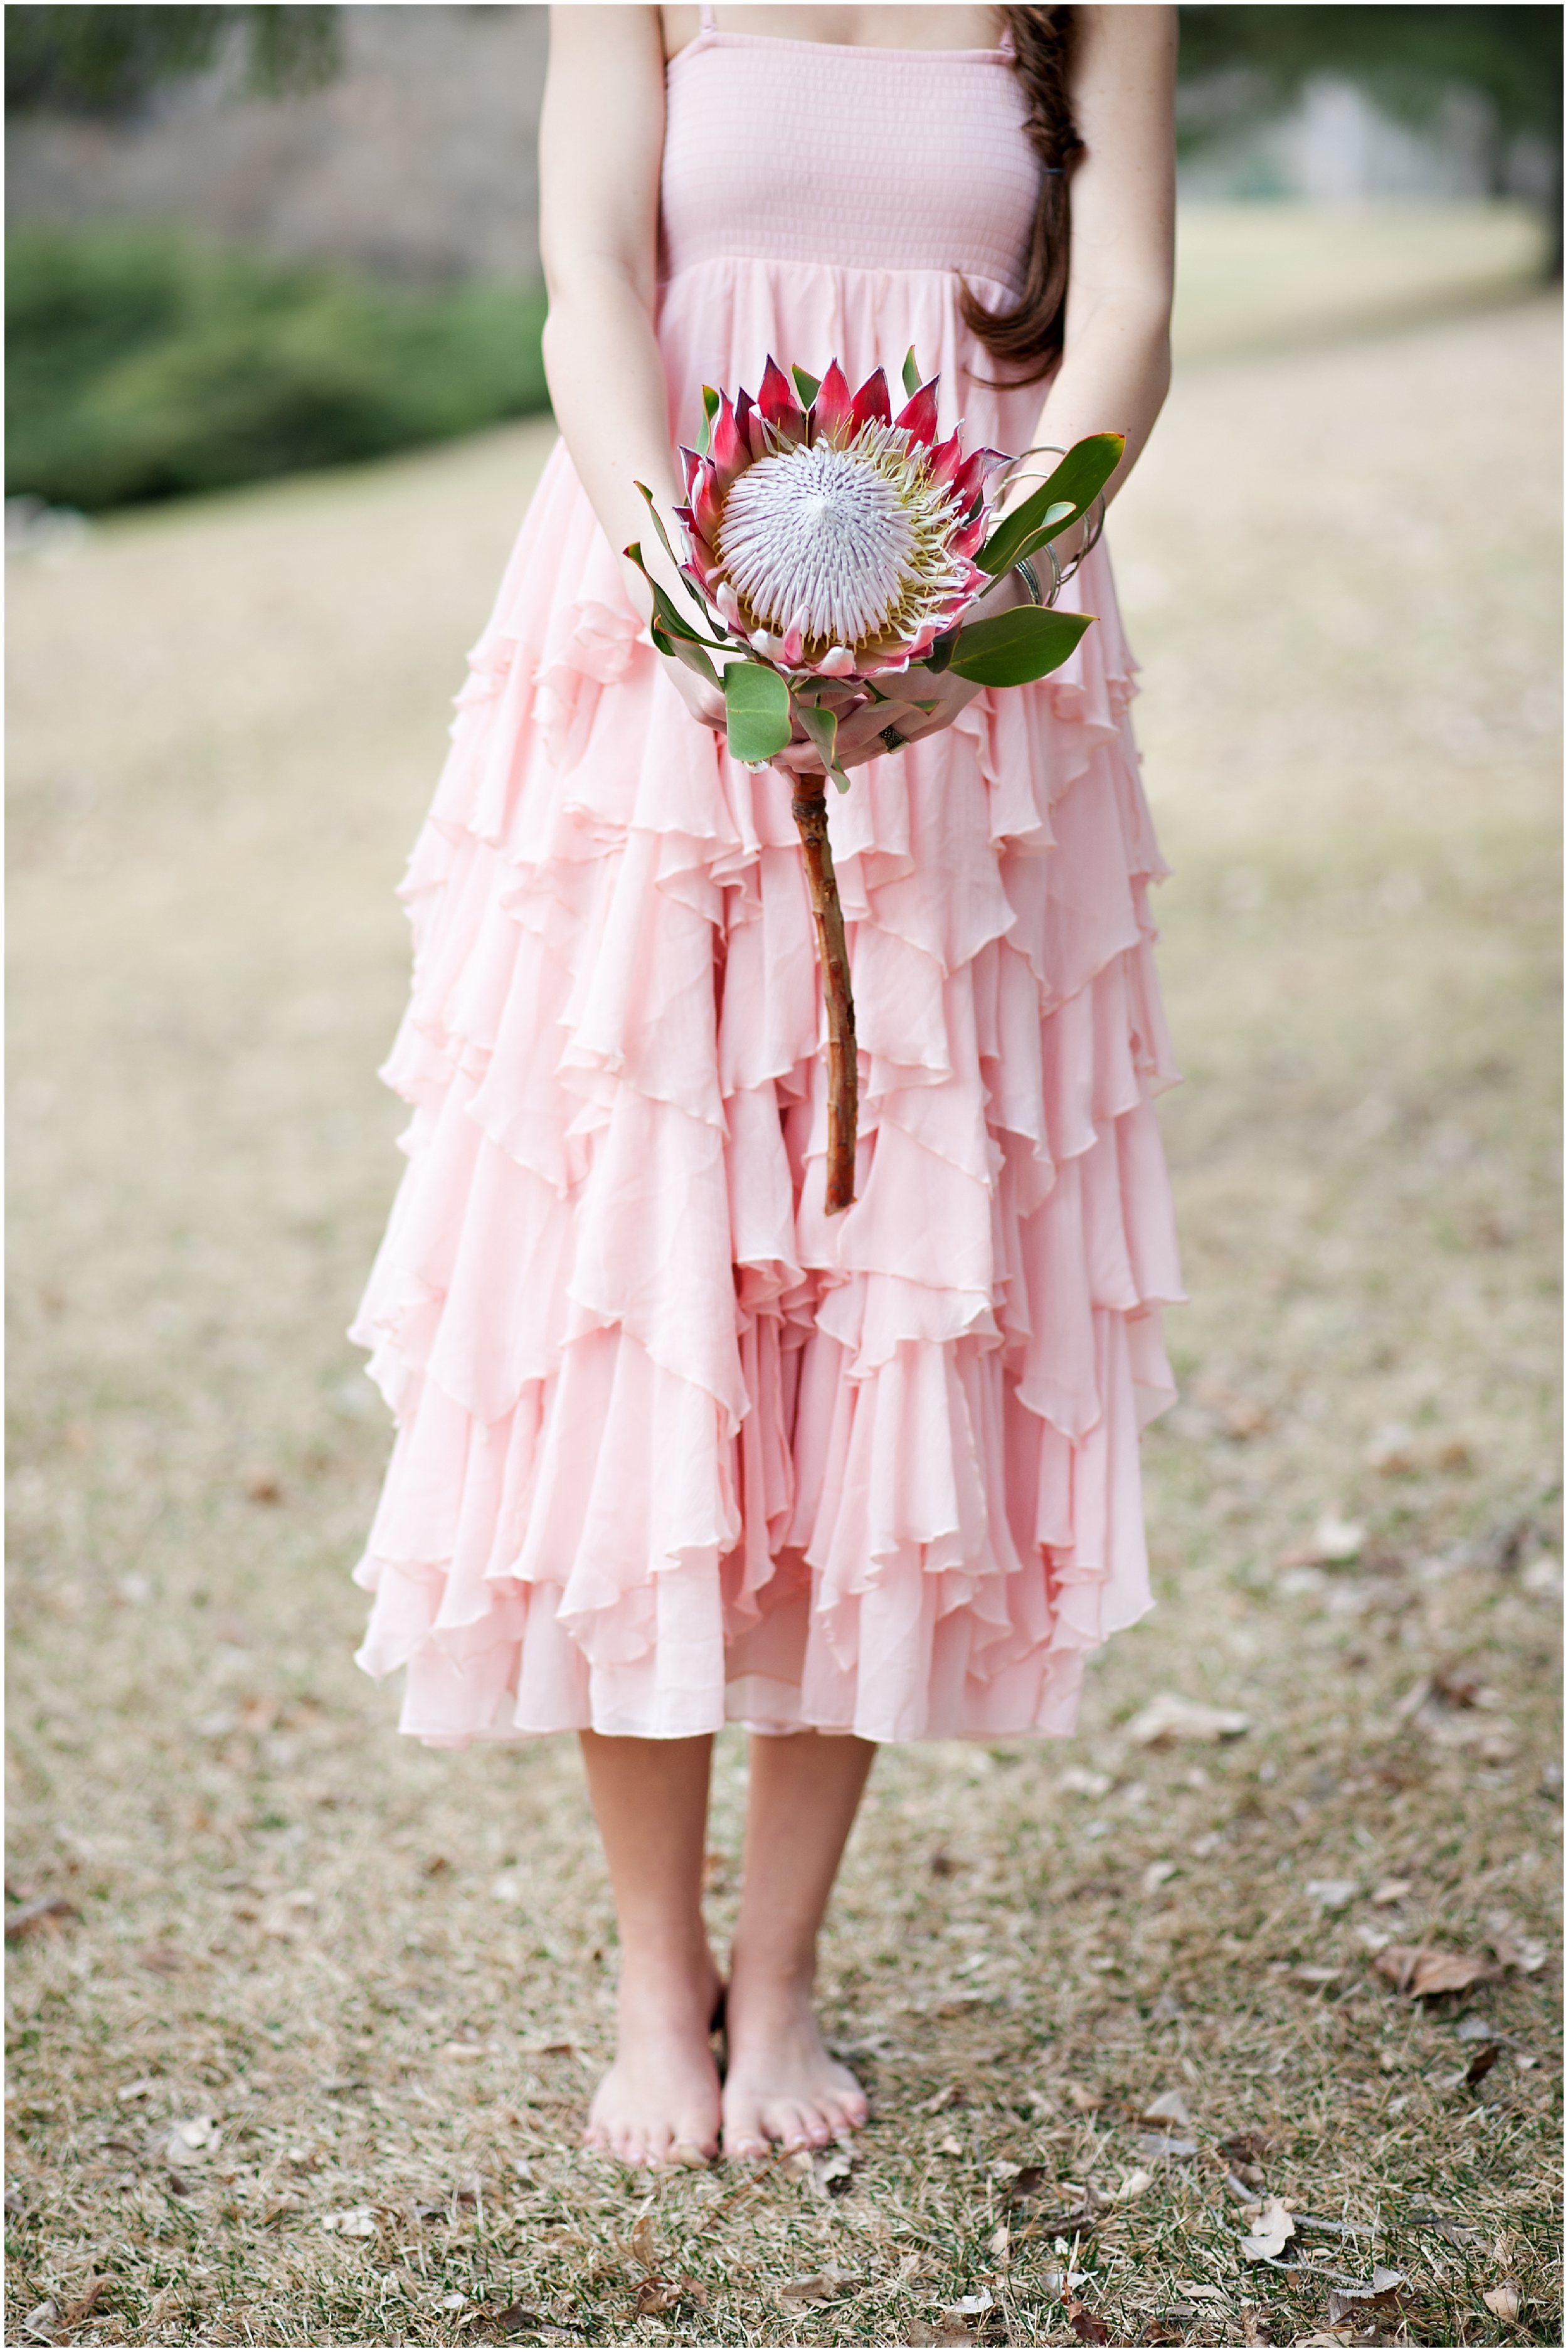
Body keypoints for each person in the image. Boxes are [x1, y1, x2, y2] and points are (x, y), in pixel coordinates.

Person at [350, 3, 1181, 2168]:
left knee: (885, 1289)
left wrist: (970, 618)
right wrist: (683, 606)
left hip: (968, 670)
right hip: (658, 657)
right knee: (638, 1288)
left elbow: (1126, 326)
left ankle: (785, 1972)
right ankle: (653, 1983)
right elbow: (594, 286)